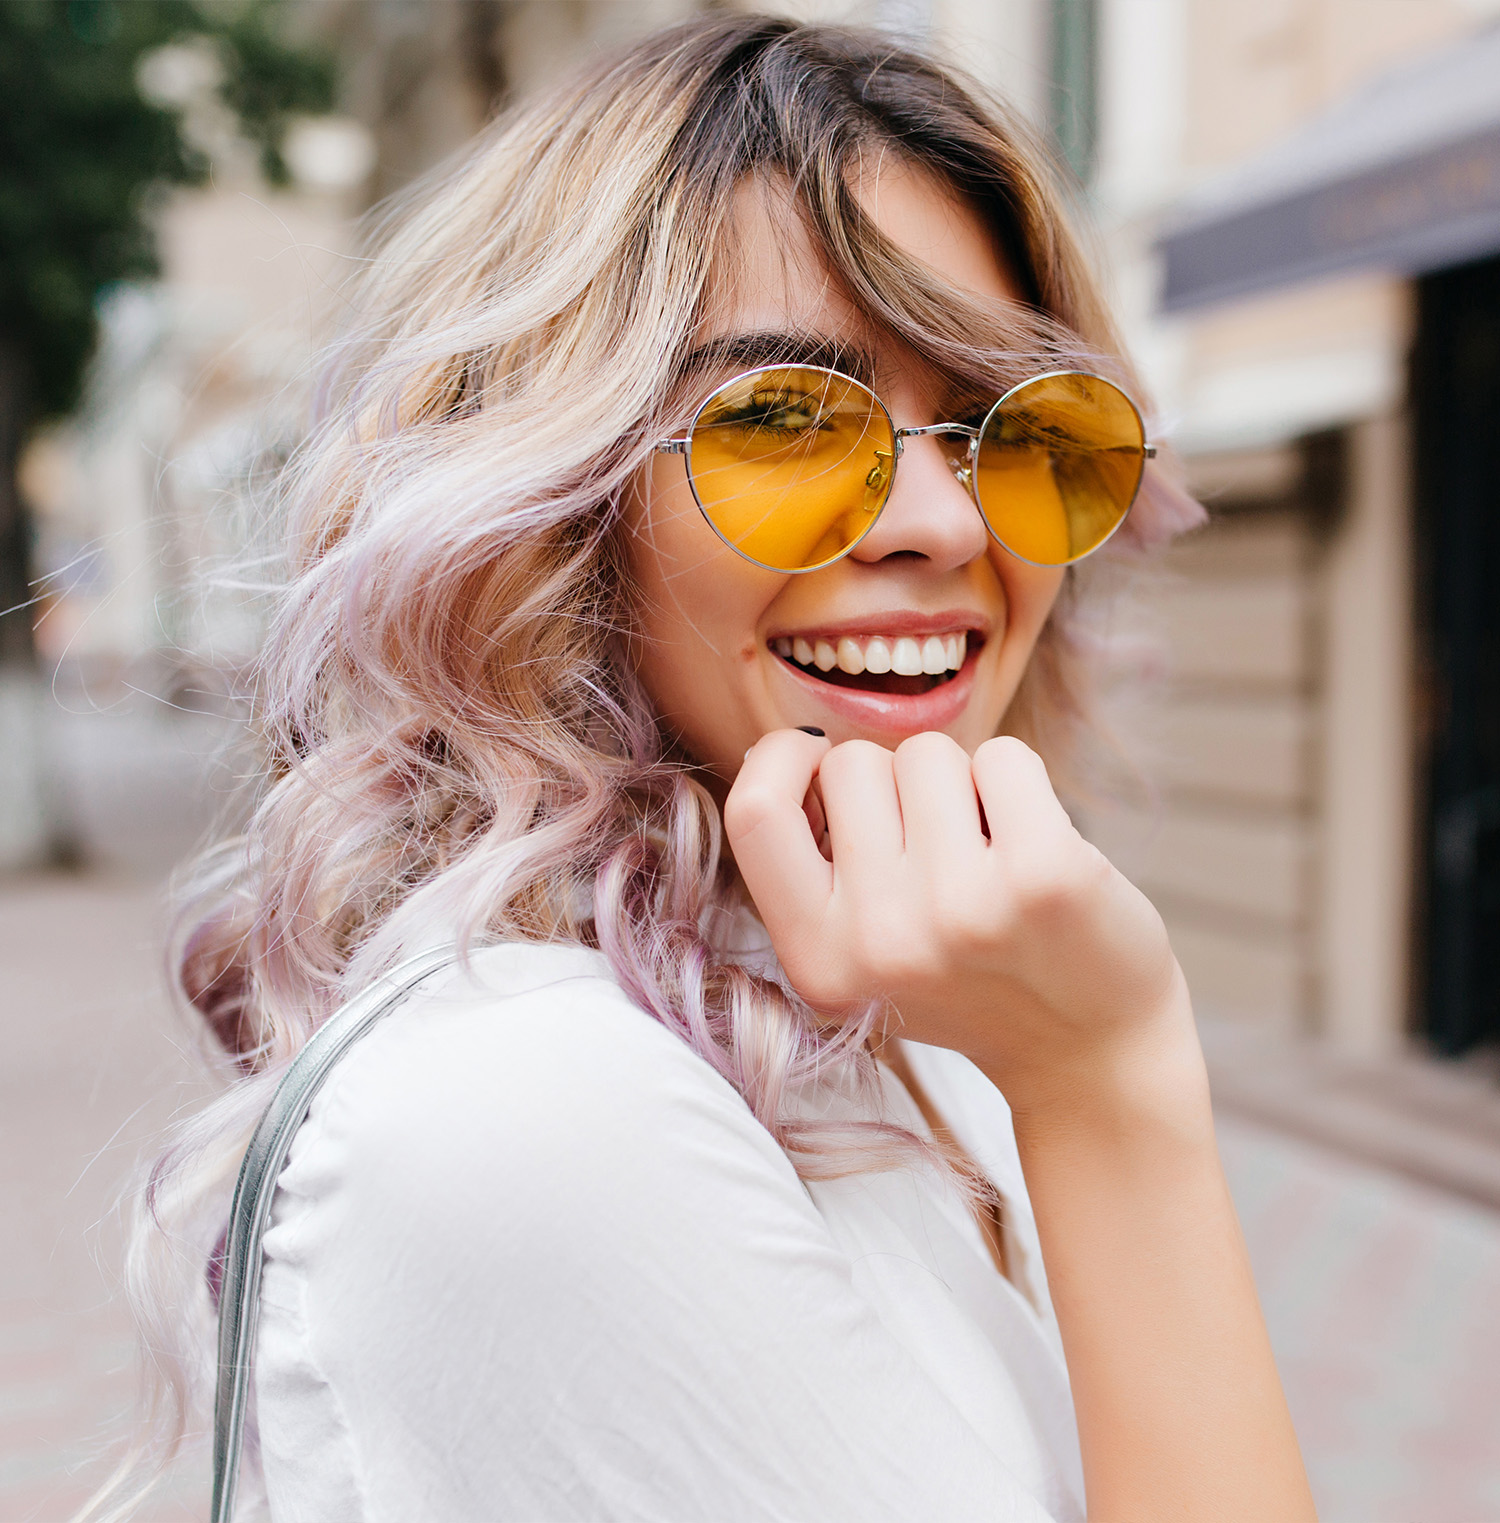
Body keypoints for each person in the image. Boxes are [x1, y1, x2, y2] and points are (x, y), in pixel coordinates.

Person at [99, 15, 1317, 1523]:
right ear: (554, 501)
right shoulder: (529, 1110)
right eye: (787, 422)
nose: (944, 522)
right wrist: (1116, 1090)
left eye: (1013, 427)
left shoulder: (920, 1025)